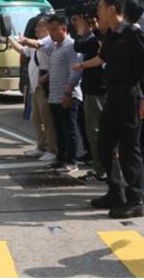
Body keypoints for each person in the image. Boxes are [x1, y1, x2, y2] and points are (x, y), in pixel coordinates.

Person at [75, 0, 144, 219]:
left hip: (130, 96)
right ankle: (116, 191)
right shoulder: (113, 35)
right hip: (113, 95)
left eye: (101, 7)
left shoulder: (134, 33)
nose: (98, 12)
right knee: (103, 144)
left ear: (113, 9)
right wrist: (82, 65)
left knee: (128, 149)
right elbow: (102, 58)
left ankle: (135, 200)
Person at [6, 16, 58, 162]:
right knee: (36, 119)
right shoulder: (36, 44)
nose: (35, 29)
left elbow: (35, 44)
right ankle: (41, 146)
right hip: (35, 86)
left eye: (39, 26)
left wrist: (25, 39)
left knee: (47, 120)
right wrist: (9, 38)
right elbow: (22, 50)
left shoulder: (48, 41)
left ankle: (52, 150)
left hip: (45, 86)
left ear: (47, 27)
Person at [43, 14, 84, 174]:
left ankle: (72, 161)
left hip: (68, 96)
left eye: (54, 30)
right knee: (59, 129)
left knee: (69, 129)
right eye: (49, 30)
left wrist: (68, 91)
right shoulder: (56, 47)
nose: (51, 34)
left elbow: (76, 70)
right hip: (54, 95)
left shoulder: (72, 46)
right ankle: (60, 158)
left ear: (64, 29)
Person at [124, 0, 144, 199]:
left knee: (136, 146)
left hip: (140, 97)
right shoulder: (136, 34)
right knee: (139, 146)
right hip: (141, 96)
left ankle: (141, 191)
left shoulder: (136, 35)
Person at [73, 13, 107, 182]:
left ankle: (100, 170)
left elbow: (78, 46)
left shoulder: (97, 39)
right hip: (97, 89)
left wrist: (80, 31)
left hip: (97, 91)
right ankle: (104, 168)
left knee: (95, 132)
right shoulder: (102, 37)